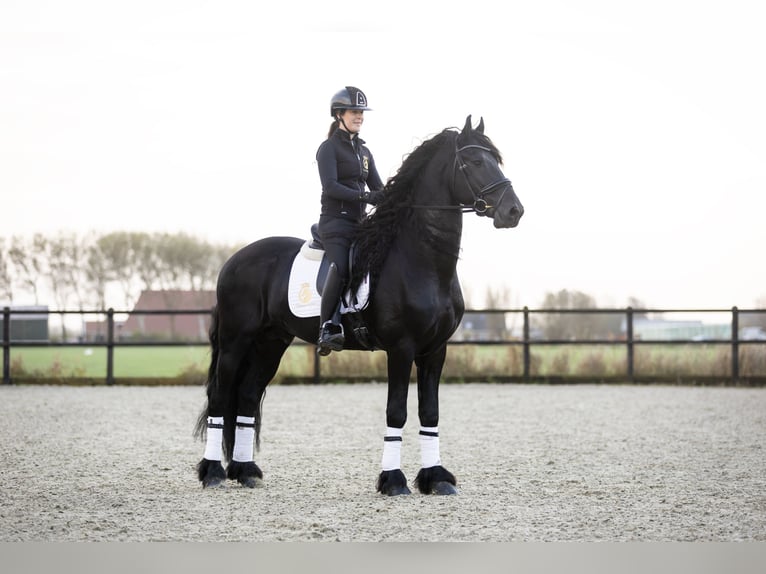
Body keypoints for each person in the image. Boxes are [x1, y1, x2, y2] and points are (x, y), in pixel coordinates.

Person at [315, 86, 384, 356]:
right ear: (339, 114)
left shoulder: (364, 152)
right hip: (335, 224)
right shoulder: (328, 149)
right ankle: (327, 327)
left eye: (361, 112)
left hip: (360, 223)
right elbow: (330, 187)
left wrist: (398, 198)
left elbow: (377, 186)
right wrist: (365, 196)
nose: (360, 116)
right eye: (355, 112)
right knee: (342, 267)